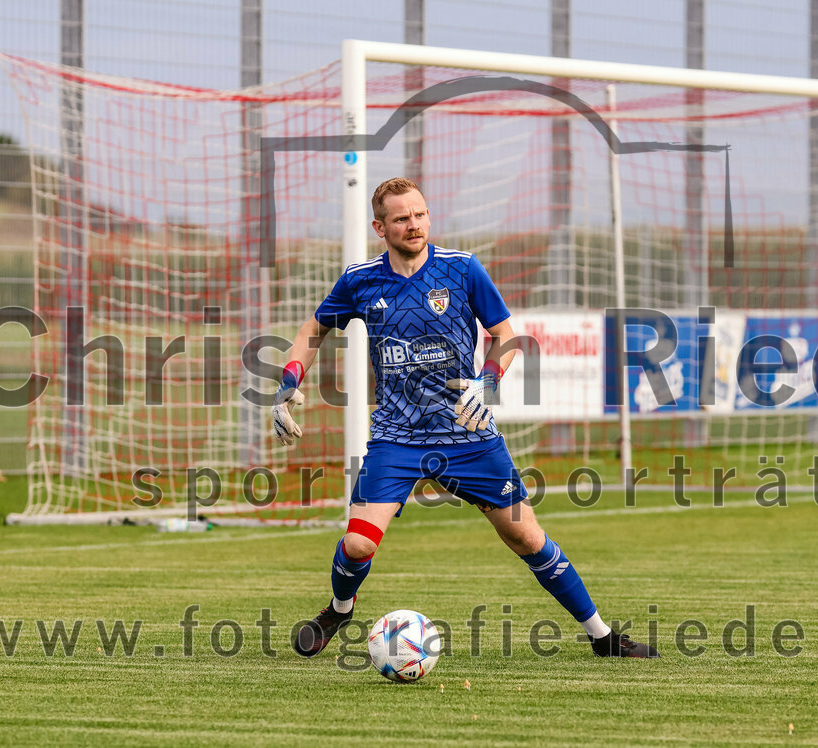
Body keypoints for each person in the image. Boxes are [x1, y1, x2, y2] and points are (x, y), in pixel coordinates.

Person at [271, 177, 656, 659]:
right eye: (401, 218)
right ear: (380, 227)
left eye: (420, 214)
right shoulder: (359, 280)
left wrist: (488, 381)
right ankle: (339, 609)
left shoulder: (462, 270)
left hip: (470, 436)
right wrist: (288, 382)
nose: (414, 225)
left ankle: (602, 637)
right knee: (357, 546)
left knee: (527, 536)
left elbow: (506, 335)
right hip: (398, 439)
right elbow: (313, 329)